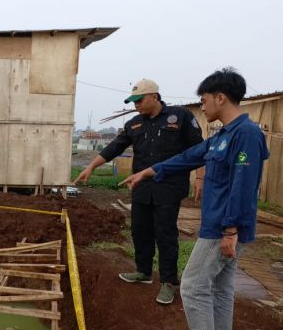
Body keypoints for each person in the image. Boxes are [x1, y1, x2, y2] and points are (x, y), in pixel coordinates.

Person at [120, 68, 269, 330]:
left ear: (220, 97)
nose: (201, 106)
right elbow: (188, 158)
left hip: (222, 227)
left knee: (192, 284)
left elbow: (243, 186)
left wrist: (230, 231)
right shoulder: (223, 136)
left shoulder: (246, 135)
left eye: (203, 99)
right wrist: (149, 171)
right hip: (219, 225)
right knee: (220, 288)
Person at [75, 79, 204, 304]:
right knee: (140, 230)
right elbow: (114, 147)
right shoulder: (135, 124)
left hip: (169, 186)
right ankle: (143, 271)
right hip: (141, 187)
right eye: (133, 102)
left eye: (139, 100)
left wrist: (201, 177)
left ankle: (169, 282)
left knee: (165, 234)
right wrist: (90, 167)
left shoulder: (180, 117)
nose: (136, 105)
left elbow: (198, 148)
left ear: (154, 96)